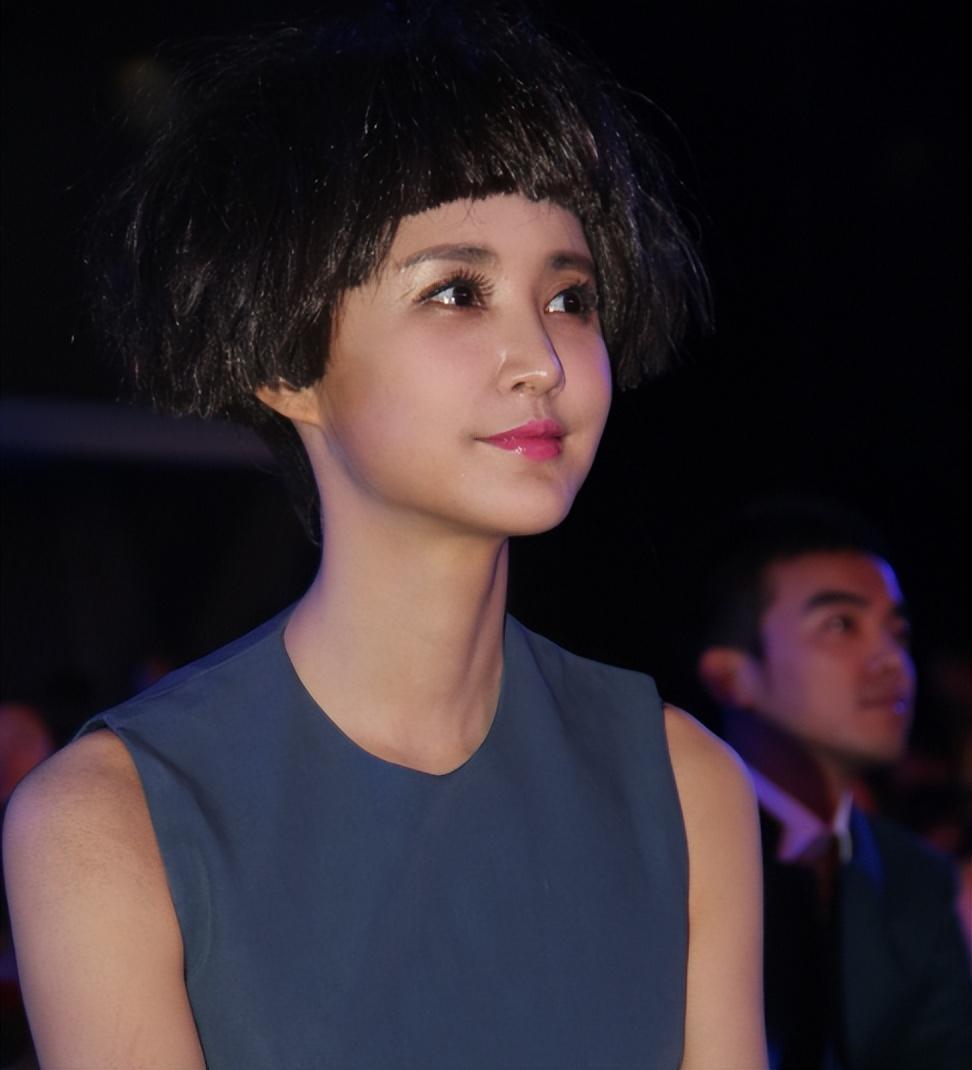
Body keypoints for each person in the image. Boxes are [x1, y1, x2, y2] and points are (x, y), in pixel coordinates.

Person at [3, 5, 766, 1068]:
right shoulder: (110, 815)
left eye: (570, 296)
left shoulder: (684, 786)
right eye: (458, 292)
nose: (541, 359)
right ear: (286, 366)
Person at [696, 499, 972, 1070]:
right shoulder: (674, 845)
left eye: (897, 632)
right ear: (732, 676)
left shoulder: (917, 880)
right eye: (842, 625)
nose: (891, 661)